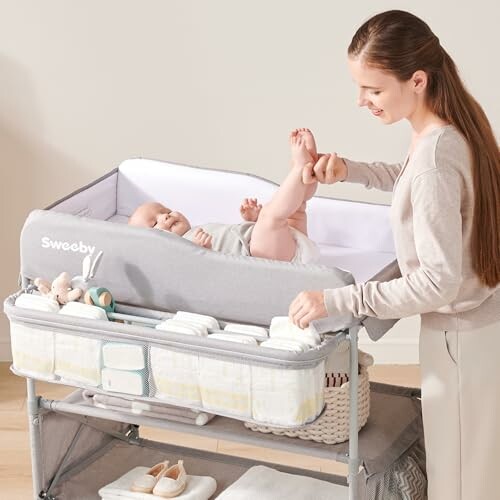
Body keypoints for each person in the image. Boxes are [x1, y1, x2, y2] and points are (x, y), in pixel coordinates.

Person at [288, 10, 500, 500]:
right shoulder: (447, 131)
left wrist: (337, 300)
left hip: (459, 342)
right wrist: (351, 171)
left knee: (461, 483)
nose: (361, 101)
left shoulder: (433, 162)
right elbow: (413, 179)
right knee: (478, 469)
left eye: (374, 90)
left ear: (417, 80)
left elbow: (438, 282)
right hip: (476, 333)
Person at [128, 128, 320, 264]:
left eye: (165, 211)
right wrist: (199, 254)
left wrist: (253, 222)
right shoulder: (179, 254)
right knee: (271, 216)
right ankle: (299, 168)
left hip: (281, 244)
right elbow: (209, 275)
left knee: (296, 210)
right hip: (261, 258)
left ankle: (309, 168)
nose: (165, 216)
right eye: (154, 223)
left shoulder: (196, 230)